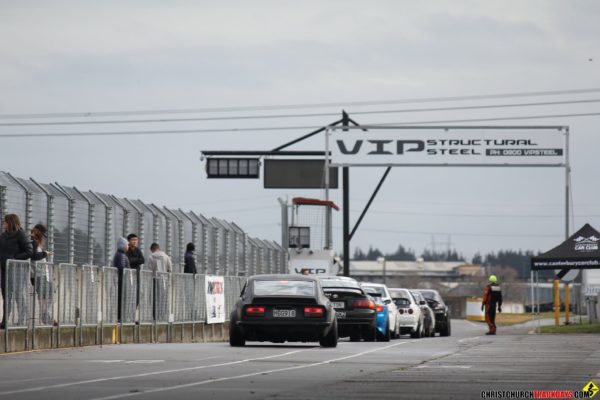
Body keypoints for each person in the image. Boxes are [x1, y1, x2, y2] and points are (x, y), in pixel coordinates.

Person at [0, 214, 33, 328]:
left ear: (11, 223)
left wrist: (15, 258)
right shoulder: (3, 236)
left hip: (18, 270)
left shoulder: (21, 235)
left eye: (5, 222)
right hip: (5, 270)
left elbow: (29, 251)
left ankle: (21, 320)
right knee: (6, 296)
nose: (3, 224)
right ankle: (5, 322)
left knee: (18, 295)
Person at [30, 224, 54, 325]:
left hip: (44, 274)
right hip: (38, 274)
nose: (43, 238)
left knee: (49, 294)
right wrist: (45, 253)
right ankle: (45, 316)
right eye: (42, 235)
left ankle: (45, 315)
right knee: (43, 295)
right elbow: (34, 256)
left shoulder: (36, 243)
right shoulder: (32, 242)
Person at [112, 237, 130, 321]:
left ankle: (120, 316)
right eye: (127, 245)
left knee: (120, 299)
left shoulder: (119, 254)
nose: (128, 246)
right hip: (121, 281)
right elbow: (122, 268)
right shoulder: (121, 255)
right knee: (121, 299)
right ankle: (120, 317)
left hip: (119, 281)